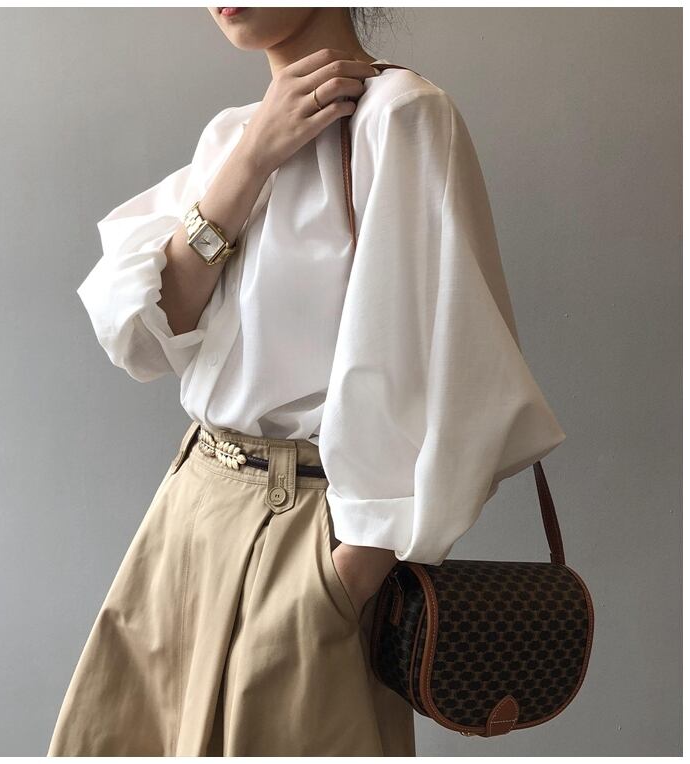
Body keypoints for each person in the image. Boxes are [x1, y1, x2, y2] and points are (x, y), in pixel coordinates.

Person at [47, 7, 566, 757]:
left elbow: (454, 373)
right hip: (189, 512)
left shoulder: (401, 116)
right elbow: (154, 329)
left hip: (311, 534)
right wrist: (251, 159)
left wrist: (346, 580)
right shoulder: (235, 134)